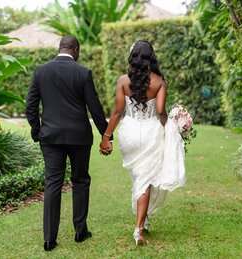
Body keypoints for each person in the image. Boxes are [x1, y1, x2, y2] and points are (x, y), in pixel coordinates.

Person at [26, 35, 112, 251]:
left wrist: (37, 131)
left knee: (52, 183)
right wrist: (106, 134)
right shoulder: (83, 73)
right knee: (81, 180)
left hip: (50, 137)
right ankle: (80, 232)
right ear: (75, 49)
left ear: (60, 48)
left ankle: (49, 239)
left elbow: (31, 106)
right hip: (79, 138)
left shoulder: (41, 71)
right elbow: (95, 107)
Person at [99, 40, 185, 245]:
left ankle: (143, 220)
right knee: (145, 179)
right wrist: (170, 127)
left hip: (128, 133)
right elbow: (161, 111)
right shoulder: (159, 81)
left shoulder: (122, 81)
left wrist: (106, 137)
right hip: (150, 132)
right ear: (151, 58)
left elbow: (118, 111)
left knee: (138, 176)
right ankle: (139, 229)